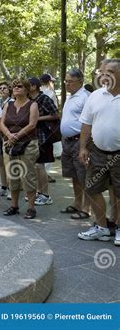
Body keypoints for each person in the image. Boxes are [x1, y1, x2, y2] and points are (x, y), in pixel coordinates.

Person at [78, 58, 120, 246]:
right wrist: (83, 147)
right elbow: (86, 125)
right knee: (92, 188)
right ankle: (102, 227)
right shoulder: (95, 95)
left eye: (109, 71)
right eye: (101, 71)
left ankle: (118, 228)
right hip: (97, 152)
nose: (104, 75)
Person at [0, 77, 39, 219]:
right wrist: (9, 135)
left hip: (28, 144)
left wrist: (16, 136)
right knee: (12, 175)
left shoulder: (32, 105)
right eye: (14, 86)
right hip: (9, 144)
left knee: (28, 175)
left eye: (20, 86)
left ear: (27, 90)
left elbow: (32, 124)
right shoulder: (7, 105)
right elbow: (2, 123)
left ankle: (31, 208)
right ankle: (14, 206)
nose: (16, 88)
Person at [59, 69, 91, 219]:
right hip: (67, 142)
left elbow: (89, 122)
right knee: (74, 175)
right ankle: (77, 204)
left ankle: (86, 208)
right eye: (66, 81)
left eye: (70, 81)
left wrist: (84, 145)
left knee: (84, 175)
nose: (67, 84)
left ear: (80, 82)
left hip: (79, 141)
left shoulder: (86, 97)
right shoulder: (70, 97)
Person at [29, 77, 60, 206]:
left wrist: (38, 118)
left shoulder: (45, 99)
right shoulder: (30, 100)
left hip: (43, 136)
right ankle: (39, 193)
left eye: (27, 85)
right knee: (35, 166)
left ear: (34, 86)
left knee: (39, 166)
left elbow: (56, 114)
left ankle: (45, 195)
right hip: (32, 136)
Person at [0, 81, 13, 199]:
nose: (2, 90)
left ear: (9, 90)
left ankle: (13, 189)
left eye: (5, 88)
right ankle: (3, 186)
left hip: (8, 135)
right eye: (0, 88)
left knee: (9, 163)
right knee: (1, 163)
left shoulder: (12, 103)